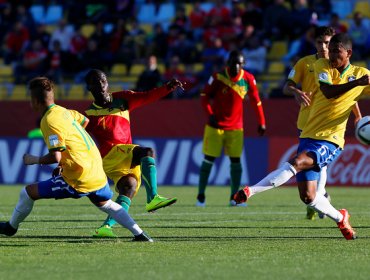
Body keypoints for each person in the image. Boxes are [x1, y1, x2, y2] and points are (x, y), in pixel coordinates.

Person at [234, 33, 370, 240]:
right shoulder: (323, 65)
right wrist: (358, 83)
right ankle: (340, 217)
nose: (331, 55)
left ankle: (250, 191)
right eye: (330, 50)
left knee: (297, 162)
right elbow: (328, 91)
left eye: (336, 51)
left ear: (348, 53)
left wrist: (360, 113)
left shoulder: (362, 73)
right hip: (309, 134)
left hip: (332, 138)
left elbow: (353, 94)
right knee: (308, 196)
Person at [0, 77, 152, 242]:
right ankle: (140, 234)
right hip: (96, 169)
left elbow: (55, 155)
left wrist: (33, 159)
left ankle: (10, 228)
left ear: (35, 101)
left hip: (78, 176)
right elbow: (84, 121)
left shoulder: (49, 121)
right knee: (106, 204)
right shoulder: (63, 111)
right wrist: (69, 155)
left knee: (27, 193)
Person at [84, 69, 184, 238]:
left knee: (128, 187)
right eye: (95, 83)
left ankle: (106, 227)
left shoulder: (123, 99)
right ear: (89, 88)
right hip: (109, 156)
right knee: (146, 152)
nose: (100, 85)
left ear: (107, 83)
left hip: (124, 156)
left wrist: (167, 87)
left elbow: (147, 96)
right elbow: (78, 140)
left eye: (103, 81)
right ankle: (153, 198)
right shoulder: (88, 115)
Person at [196, 50, 266, 207]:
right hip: (215, 127)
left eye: (239, 63)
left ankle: (234, 198)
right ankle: (200, 196)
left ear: (243, 64)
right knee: (208, 160)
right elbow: (204, 96)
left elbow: (256, 101)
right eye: (233, 63)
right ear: (227, 64)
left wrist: (262, 121)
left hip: (236, 128)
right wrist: (209, 114)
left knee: (235, 161)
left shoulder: (248, 79)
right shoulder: (217, 77)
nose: (236, 66)